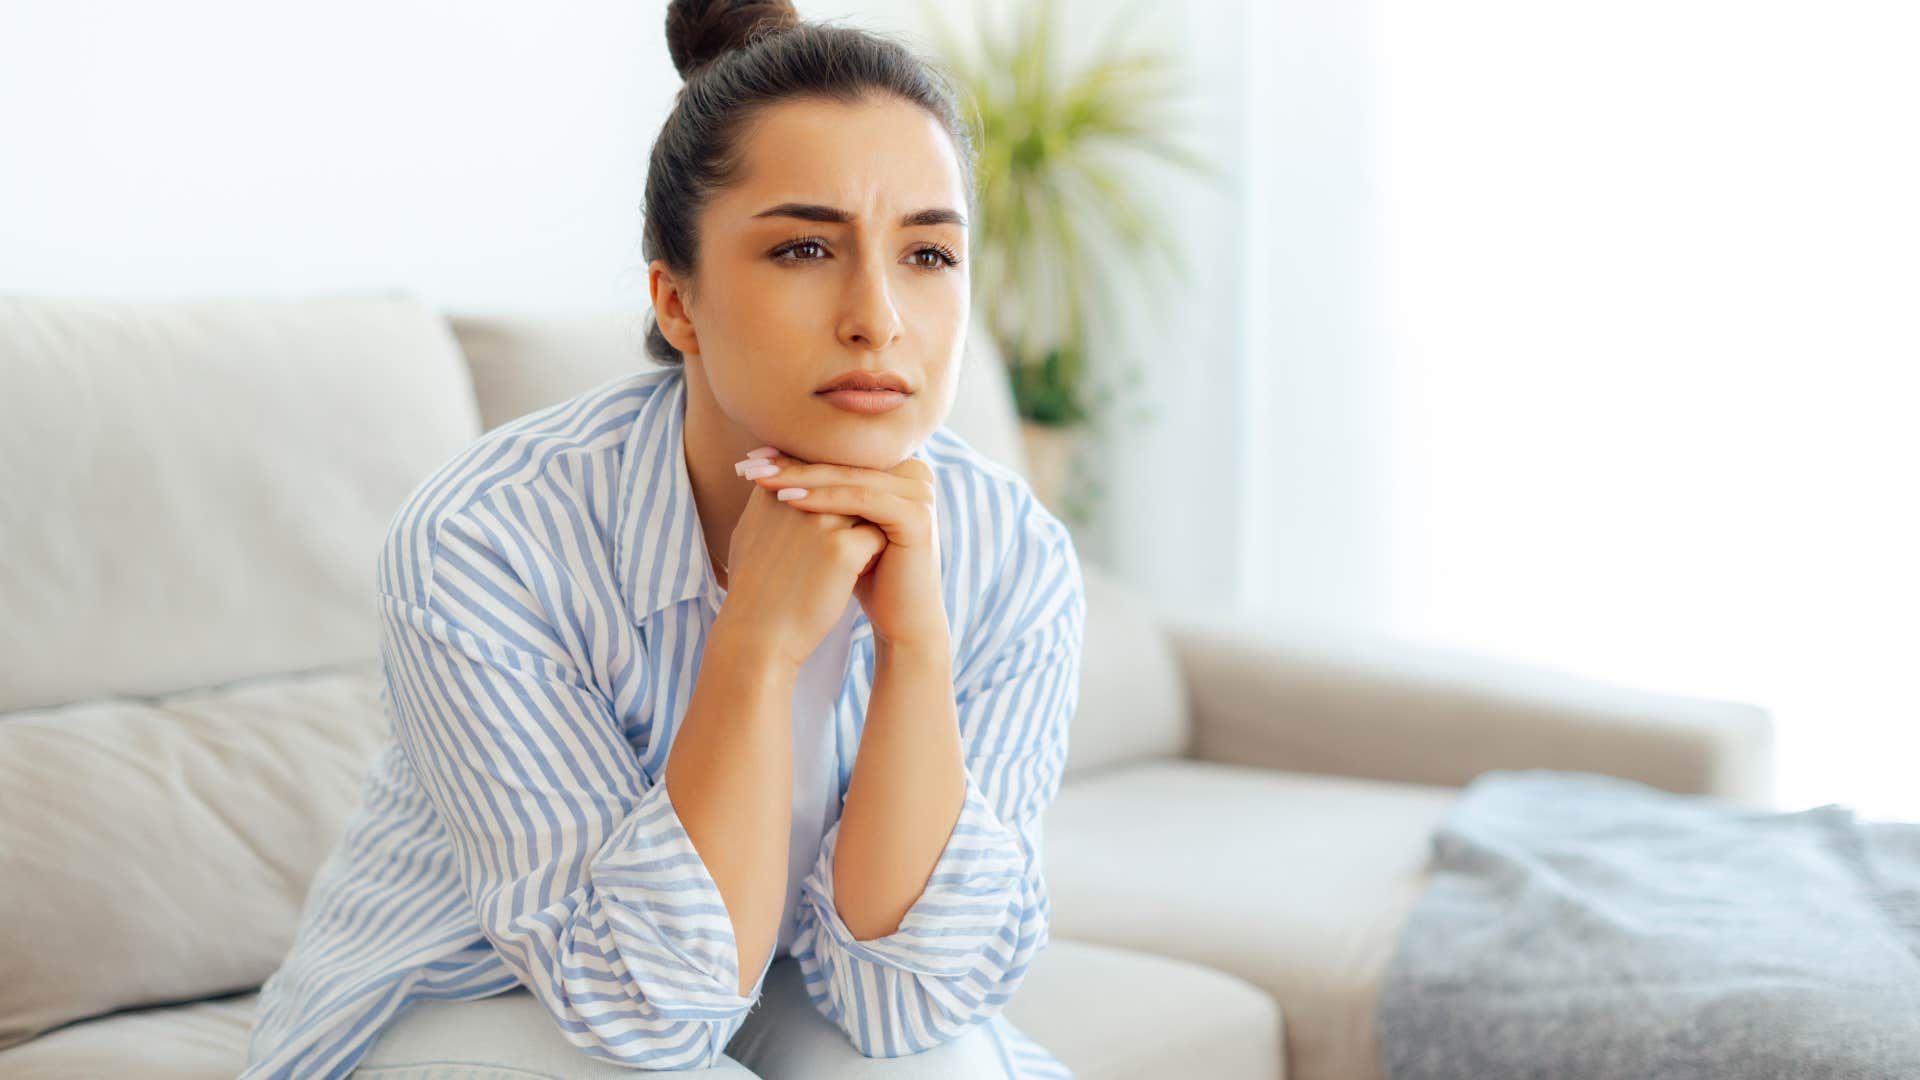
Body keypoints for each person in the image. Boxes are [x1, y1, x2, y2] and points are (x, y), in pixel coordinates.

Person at [239, 1, 1087, 1077]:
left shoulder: (1011, 555)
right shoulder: (487, 538)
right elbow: (651, 1019)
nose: (878, 315)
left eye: (927, 252)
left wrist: (916, 645)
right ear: (677, 304)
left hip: (775, 983)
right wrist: (756, 643)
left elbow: (906, 1004)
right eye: (806, 246)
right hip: (471, 999)